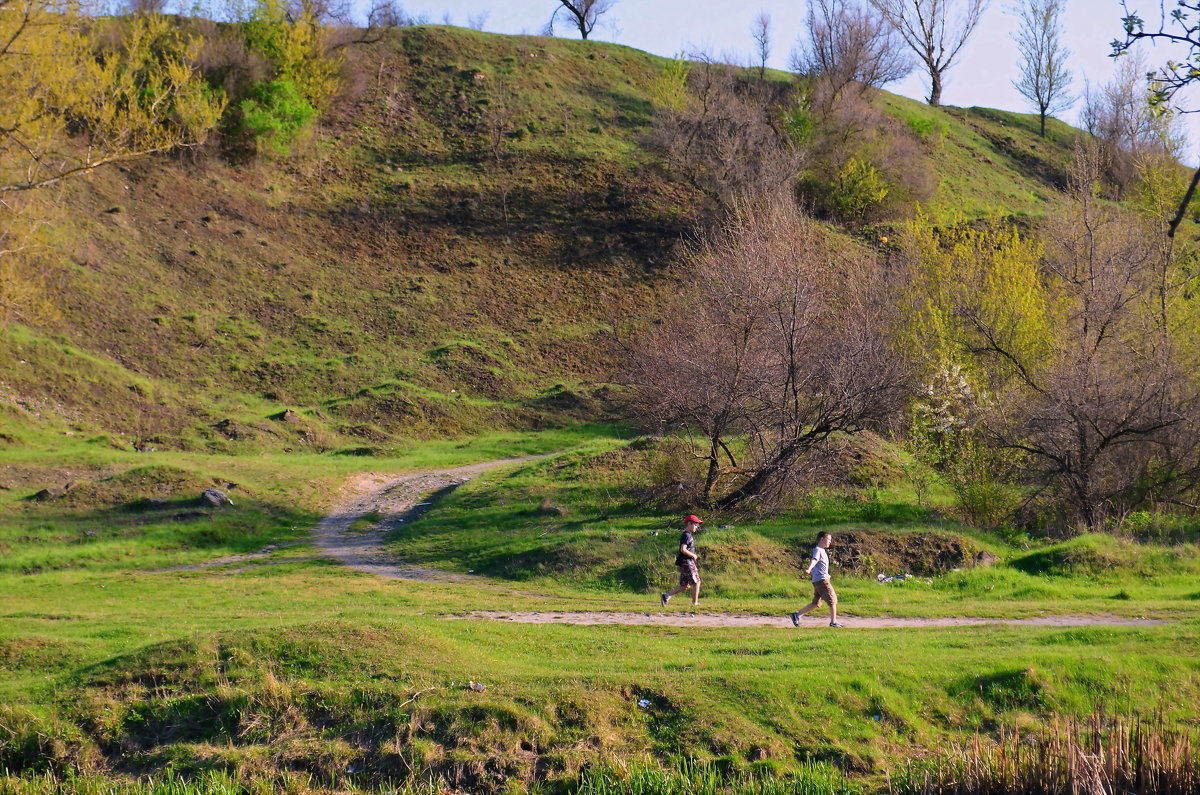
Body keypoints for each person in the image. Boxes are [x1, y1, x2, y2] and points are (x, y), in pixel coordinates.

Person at [790, 531, 844, 628]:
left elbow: (820, 566)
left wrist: (827, 574)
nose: (830, 542)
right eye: (828, 539)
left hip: (819, 579)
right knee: (832, 599)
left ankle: (797, 615)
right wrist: (809, 569)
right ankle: (833, 622)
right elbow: (814, 560)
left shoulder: (822, 550)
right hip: (822, 580)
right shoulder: (818, 550)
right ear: (822, 539)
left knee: (816, 602)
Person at [660, 515, 703, 607]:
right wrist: (693, 555)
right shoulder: (686, 535)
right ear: (689, 524)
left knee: (685, 585)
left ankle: (666, 596)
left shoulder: (688, 535)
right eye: (695, 524)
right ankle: (694, 603)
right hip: (687, 561)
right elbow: (683, 549)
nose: (697, 527)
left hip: (685, 562)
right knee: (696, 582)